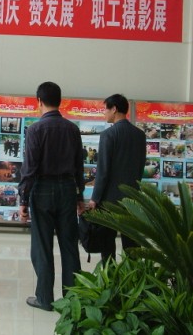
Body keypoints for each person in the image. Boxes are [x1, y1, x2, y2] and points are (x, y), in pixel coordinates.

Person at [18, 81, 85, 311]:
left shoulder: (35, 130)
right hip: (67, 189)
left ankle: (45, 298)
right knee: (69, 246)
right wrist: (80, 197)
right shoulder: (72, 129)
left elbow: (29, 168)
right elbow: (79, 166)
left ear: (39, 101)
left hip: (42, 190)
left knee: (42, 246)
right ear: (60, 101)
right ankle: (73, 300)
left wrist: (23, 199)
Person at [88, 94, 146, 262]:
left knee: (107, 244)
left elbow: (103, 170)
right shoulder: (139, 135)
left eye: (105, 109)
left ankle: (110, 275)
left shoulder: (108, 135)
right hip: (132, 199)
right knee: (132, 244)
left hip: (109, 200)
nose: (104, 113)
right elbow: (140, 166)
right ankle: (133, 274)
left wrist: (95, 198)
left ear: (114, 109)